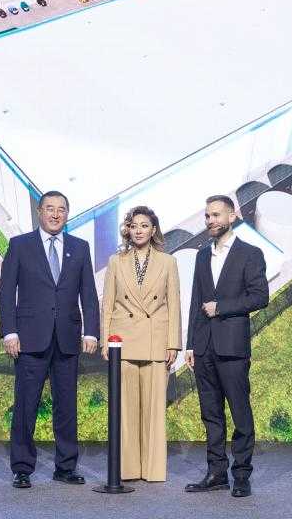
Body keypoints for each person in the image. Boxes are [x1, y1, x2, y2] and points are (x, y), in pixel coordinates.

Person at [0, 190, 100, 489]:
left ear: (67, 214)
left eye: (61, 209)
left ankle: (65, 467)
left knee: (66, 405)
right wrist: (10, 332)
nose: (56, 214)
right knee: (26, 404)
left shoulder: (80, 247)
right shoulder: (20, 245)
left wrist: (91, 331)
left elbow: (88, 293)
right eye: (50, 208)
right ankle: (22, 468)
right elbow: (6, 292)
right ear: (39, 212)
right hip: (29, 339)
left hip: (67, 339)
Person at [184, 195, 269, 498]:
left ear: (232, 216)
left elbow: (260, 296)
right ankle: (216, 473)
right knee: (211, 414)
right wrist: (190, 345)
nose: (211, 221)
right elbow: (196, 301)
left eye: (216, 215)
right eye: (207, 216)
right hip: (204, 347)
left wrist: (221, 307)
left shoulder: (250, 253)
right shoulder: (201, 256)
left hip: (232, 348)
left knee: (240, 413)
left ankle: (242, 475)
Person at [100, 206, 181, 482]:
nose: (138, 230)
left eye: (144, 225)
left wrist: (173, 344)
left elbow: (174, 304)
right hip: (122, 341)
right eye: (134, 225)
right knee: (125, 409)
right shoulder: (115, 261)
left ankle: (153, 469)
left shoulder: (168, 262)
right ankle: (128, 468)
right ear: (128, 229)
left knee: (154, 409)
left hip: (156, 341)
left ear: (153, 230)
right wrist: (106, 341)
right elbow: (107, 304)